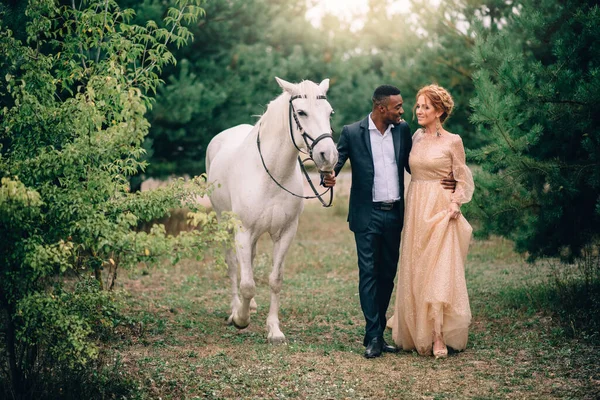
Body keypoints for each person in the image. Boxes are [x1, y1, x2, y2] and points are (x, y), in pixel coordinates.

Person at [322, 85, 455, 359]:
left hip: (395, 214)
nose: (403, 111)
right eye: (398, 107)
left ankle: (378, 330)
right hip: (366, 214)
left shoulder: (403, 131)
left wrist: (447, 177)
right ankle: (373, 336)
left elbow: (414, 165)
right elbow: (335, 163)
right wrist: (329, 176)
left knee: (386, 276)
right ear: (382, 108)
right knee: (368, 274)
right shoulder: (351, 132)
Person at [389, 84, 474, 358]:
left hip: (441, 208)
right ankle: (416, 329)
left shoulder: (453, 141)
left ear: (439, 111)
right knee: (417, 266)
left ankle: (438, 336)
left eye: (426, 106)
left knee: (438, 270)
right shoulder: (415, 137)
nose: (419, 110)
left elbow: (462, 178)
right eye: (418, 105)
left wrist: (454, 203)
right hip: (416, 206)